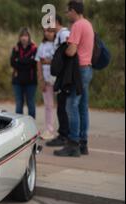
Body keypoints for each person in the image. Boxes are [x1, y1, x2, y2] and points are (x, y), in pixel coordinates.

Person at [54, 1, 94, 157]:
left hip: (78, 70)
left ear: (74, 11)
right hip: (88, 68)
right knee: (83, 107)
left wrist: (62, 52)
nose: (66, 14)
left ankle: (73, 144)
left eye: (67, 11)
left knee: (71, 106)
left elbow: (71, 51)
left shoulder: (77, 25)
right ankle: (83, 144)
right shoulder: (88, 24)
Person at [47, 15, 71, 147]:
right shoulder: (59, 35)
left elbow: (67, 55)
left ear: (56, 22)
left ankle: (64, 136)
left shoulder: (64, 34)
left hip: (63, 76)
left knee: (63, 107)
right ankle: (63, 134)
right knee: (61, 106)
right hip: (60, 76)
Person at [11, 28, 38, 119]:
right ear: (19, 37)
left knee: (31, 103)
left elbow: (33, 63)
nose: (24, 38)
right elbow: (12, 62)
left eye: (26, 36)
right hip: (17, 80)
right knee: (19, 103)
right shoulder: (16, 48)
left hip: (31, 81)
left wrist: (19, 61)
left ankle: (32, 124)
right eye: (22, 36)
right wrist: (26, 61)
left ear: (29, 37)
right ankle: (19, 125)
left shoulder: (34, 48)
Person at [36, 27, 57, 140]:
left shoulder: (58, 44)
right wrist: (41, 79)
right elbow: (38, 62)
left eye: (50, 31)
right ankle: (49, 129)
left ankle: (64, 131)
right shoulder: (42, 45)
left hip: (57, 79)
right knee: (48, 105)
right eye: (45, 31)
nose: (47, 33)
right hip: (46, 78)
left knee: (63, 106)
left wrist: (48, 61)